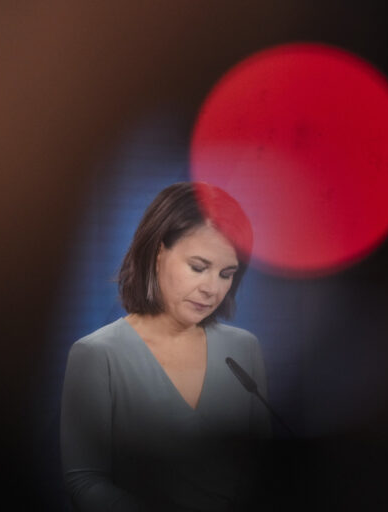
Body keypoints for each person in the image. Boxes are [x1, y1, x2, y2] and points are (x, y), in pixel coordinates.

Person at [60, 182, 271, 511]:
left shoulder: (243, 350)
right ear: (158, 253)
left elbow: (264, 470)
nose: (211, 289)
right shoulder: (97, 355)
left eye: (226, 274)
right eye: (198, 268)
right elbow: (85, 481)